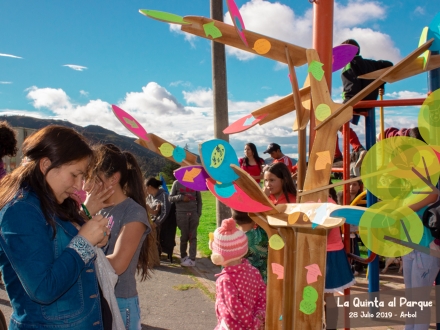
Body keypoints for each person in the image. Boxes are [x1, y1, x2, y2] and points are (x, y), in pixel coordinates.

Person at [0, 125, 110, 329]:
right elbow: (43, 289)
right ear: (45, 165)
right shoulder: (20, 211)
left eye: (83, 176)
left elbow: (65, 254)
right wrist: (85, 242)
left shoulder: (54, 203)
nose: (79, 185)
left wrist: (96, 238)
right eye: (75, 174)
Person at [91, 143, 156, 330]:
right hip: (95, 299)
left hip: (120, 301)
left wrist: (76, 258)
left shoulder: (133, 212)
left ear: (113, 179)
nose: (86, 185)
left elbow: (118, 264)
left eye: (93, 178)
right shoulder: (96, 209)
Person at [209, 218, 266, 330]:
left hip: (232, 326)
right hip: (254, 323)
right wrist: (259, 316)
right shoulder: (253, 271)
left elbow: (235, 307)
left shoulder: (225, 280)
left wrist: (251, 324)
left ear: (220, 256)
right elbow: (262, 294)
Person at [169, 179, 202, 267]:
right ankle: (183, 256)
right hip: (181, 214)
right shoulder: (176, 183)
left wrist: (198, 213)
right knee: (184, 236)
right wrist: (181, 197)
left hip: (193, 214)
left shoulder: (195, 183)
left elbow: (199, 200)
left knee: (193, 237)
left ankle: (192, 259)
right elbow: (170, 198)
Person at [232, 209, 268, 284]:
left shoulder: (231, 239)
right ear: (253, 218)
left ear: (234, 218)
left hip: (241, 282)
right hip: (261, 281)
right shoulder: (262, 235)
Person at [145, 176, 172, 260]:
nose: (145, 190)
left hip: (162, 223)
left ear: (149, 187)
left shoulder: (163, 195)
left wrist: (156, 224)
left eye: (145, 188)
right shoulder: (149, 197)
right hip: (152, 221)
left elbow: (164, 212)